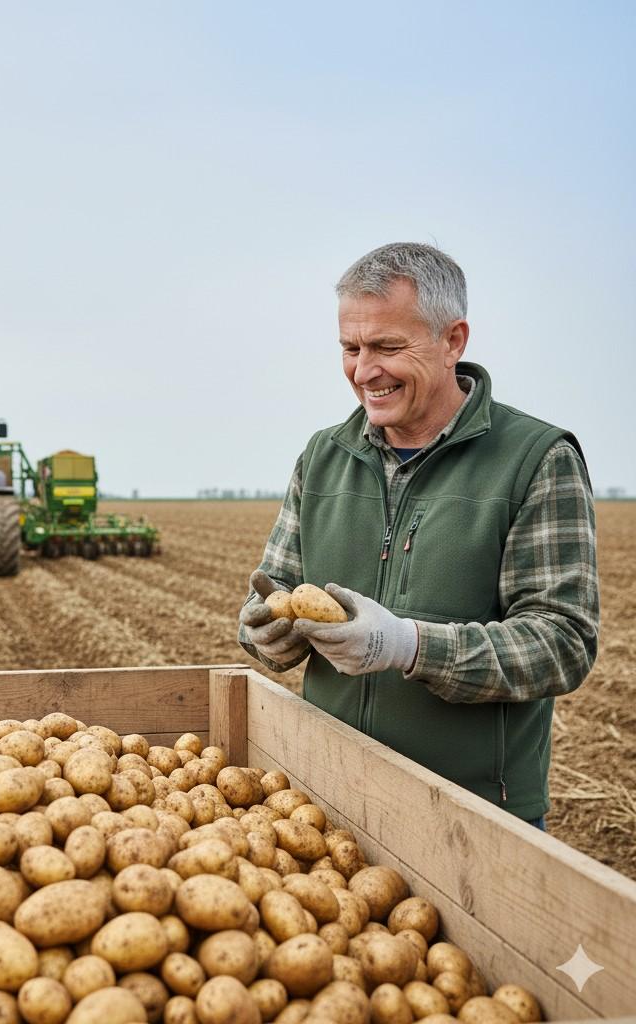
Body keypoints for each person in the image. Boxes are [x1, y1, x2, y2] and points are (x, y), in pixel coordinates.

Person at [237, 242, 599, 828]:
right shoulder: (323, 456)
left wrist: (407, 645)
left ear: (454, 339)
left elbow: (561, 646)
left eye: (387, 347)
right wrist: (262, 631)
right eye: (350, 348)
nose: (363, 370)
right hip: (328, 794)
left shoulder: (535, 459)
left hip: (471, 812)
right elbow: (274, 590)